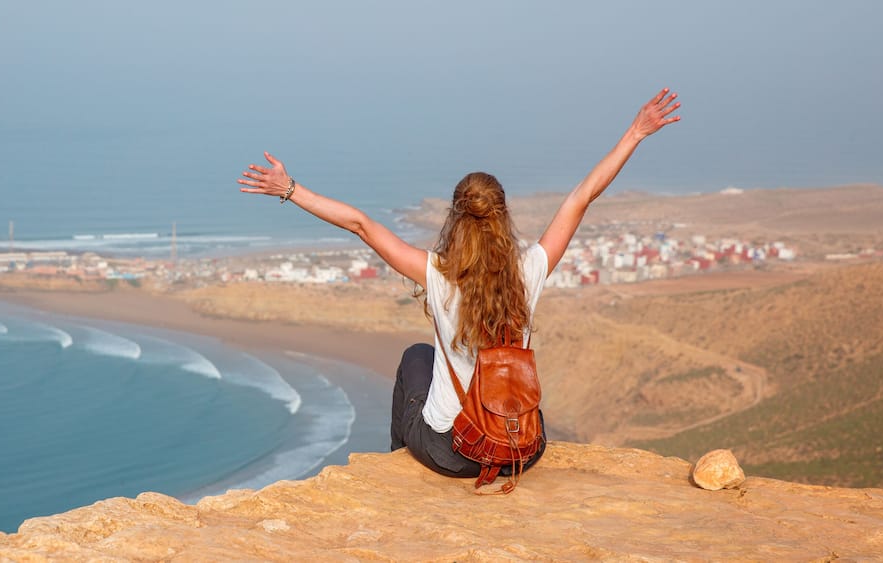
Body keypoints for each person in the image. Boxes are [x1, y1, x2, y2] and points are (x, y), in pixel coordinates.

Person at [239, 88, 681, 479]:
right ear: (503, 216)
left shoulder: (439, 274)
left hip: (453, 453)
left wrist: (289, 188)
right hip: (520, 449)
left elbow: (360, 224)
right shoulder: (529, 270)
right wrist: (635, 133)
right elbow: (583, 196)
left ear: (455, 218)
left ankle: (401, 473)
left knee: (417, 357)